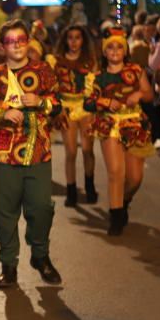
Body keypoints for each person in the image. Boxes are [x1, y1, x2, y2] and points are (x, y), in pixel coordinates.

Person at [0, 20, 63, 288]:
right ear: (2, 47)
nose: (17, 45)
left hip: (38, 153)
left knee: (40, 210)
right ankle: (8, 265)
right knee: (4, 213)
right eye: (11, 41)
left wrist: (42, 102)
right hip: (3, 157)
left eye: (21, 40)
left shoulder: (43, 70)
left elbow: (58, 104)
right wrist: (1, 113)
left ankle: (40, 256)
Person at [85, 27, 155, 235]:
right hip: (108, 125)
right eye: (110, 48)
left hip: (133, 125)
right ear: (105, 52)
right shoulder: (97, 77)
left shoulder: (136, 71)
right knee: (116, 172)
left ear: (125, 51)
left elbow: (150, 95)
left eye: (119, 47)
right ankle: (115, 216)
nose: (115, 51)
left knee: (135, 178)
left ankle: (123, 201)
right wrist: (105, 101)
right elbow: (88, 102)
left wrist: (139, 95)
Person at [54, 25, 99, 206]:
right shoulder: (57, 61)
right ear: (65, 40)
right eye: (70, 37)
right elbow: (53, 86)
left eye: (77, 37)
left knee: (88, 150)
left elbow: (95, 85)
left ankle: (89, 186)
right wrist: (58, 109)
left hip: (86, 107)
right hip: (67, 107)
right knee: (71, 152)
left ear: (83, 40)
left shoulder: (90, 61)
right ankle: (71, 191)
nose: (73, 41)